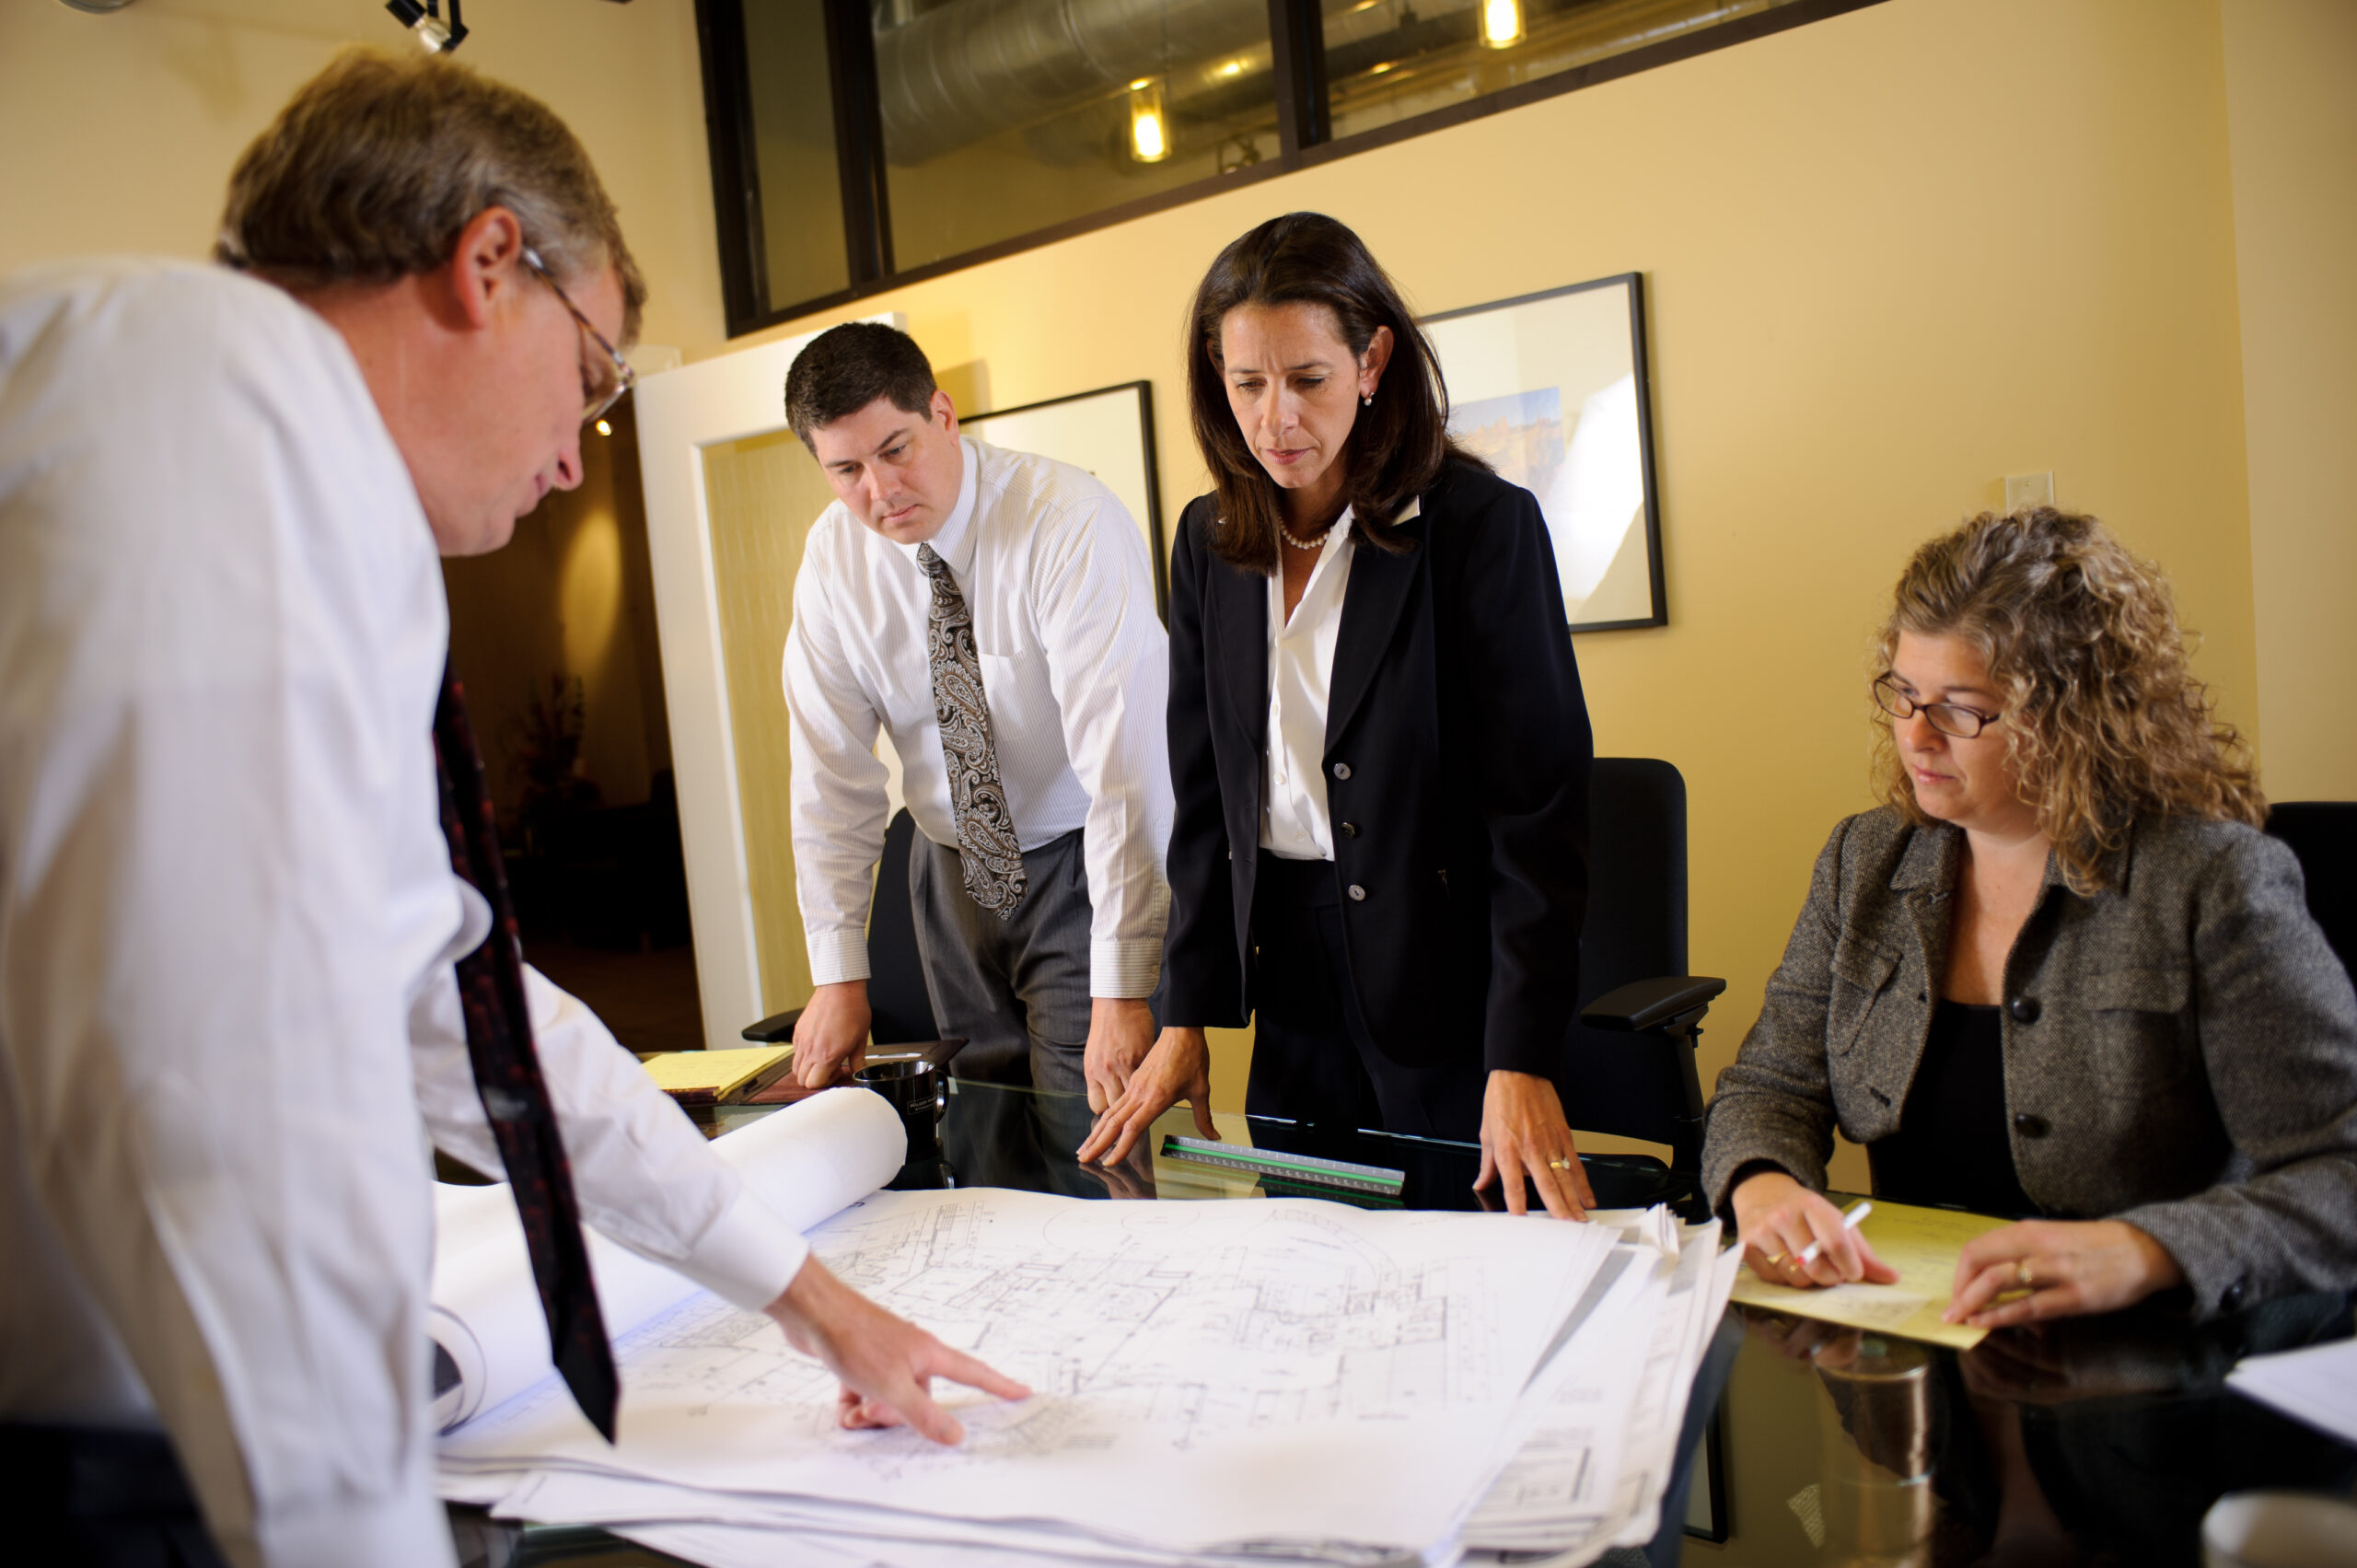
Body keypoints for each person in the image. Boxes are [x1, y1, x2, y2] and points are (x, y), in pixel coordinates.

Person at [0, 52, 1020, 1568]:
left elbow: (452, 989)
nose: (574, 448)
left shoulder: (241, 444)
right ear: (489, 262)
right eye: (598, 373)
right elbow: (208, 1093)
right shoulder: (215, 438)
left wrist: (804, 1297)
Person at [1702, 506, 2357, 1328]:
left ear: (2073, 716)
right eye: (1903, 693)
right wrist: (1762, 1185)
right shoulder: (1864, 860)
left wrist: (2148, 1248)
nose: (1916, 736)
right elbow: (1770, 1086)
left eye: (1961, 708)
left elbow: (2340, 1169)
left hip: (2152, 1363)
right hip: (1923, 1342)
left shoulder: (2211, 879)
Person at [1079, 212, 1597, 1219]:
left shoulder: (1481, 532)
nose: (1275, 418)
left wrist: (1519, 1053)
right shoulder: (1208, 541)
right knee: (1312, 1265)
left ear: (1372, 362)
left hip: (1445, 977)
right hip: (1292, 975)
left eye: (1308, 379)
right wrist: (1187, 1010)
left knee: (1461, 1273)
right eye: (1247, 383)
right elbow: (1204, 798)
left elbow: (1538, 818)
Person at [777, 323, 1173, 1117]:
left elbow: (1128, 768)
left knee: (1089, 1136)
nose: (879, 491)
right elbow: (831, 773)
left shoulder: (1066, 522)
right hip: (947, 870)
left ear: (945, 415)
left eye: (896, 449)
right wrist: (838, 972)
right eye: (846, 469)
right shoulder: (832, 562)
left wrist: (1126, 984)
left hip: (1080, 863)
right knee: (984, 1135)